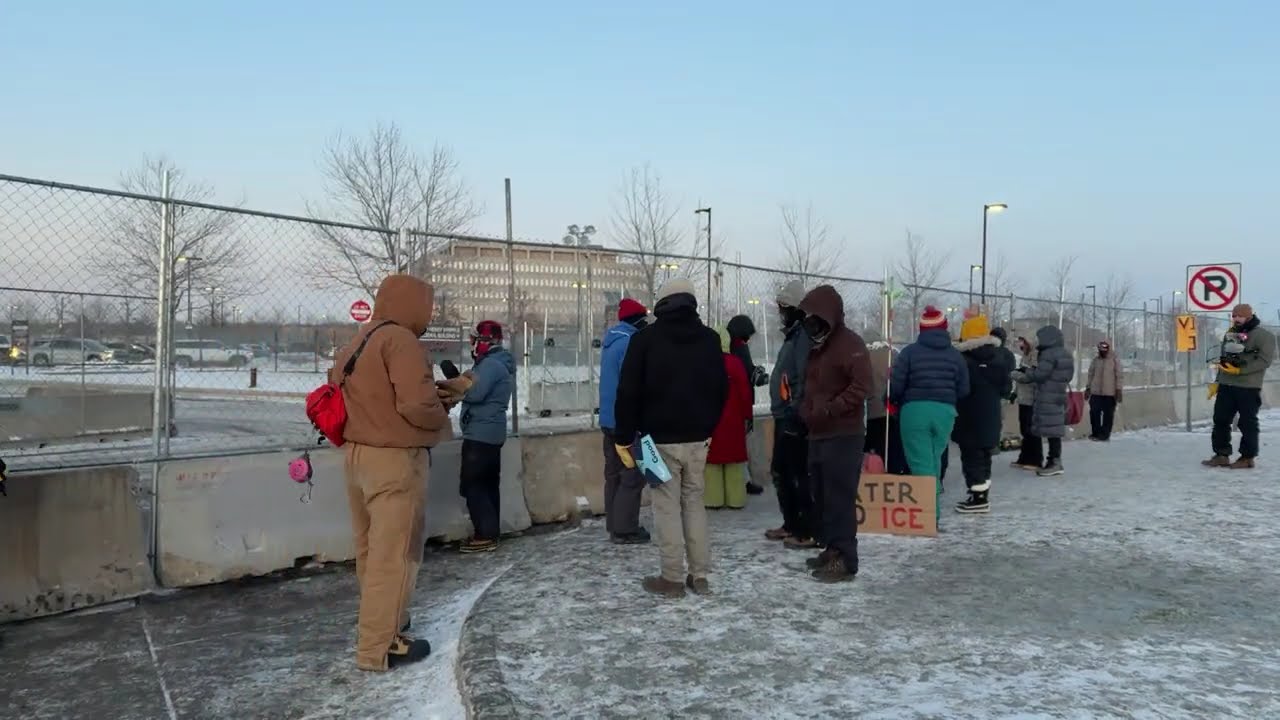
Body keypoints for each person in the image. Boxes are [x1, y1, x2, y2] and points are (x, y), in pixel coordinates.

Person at [331, 274, 450, 671]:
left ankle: (388, 621)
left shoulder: (359, 339)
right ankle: (380, 647)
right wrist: (440, 414)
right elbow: (416, 405)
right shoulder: (401, 340)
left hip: (356, 457)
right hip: (395, 461)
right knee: (395, 556)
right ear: (412, 304)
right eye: (427, 306)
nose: (430, 314)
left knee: (370, 551)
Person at [614, 279, 727, 598]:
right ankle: (700, 576)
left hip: (657, 442)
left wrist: (623, 435)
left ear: (661, 303)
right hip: (698, 439)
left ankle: (672, 578)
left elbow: (628, 391)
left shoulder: (645, 340)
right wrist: (708, 426)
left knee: (666, 507)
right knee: (694, 503)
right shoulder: (710, 339)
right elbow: (722, 389)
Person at [796, 285, 873, 583]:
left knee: (840, 498)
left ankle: (846, 558)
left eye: (815, 321)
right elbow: (812, 385)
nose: (811, 328)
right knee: (823, 496)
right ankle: (832, 548)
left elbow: (862, 386)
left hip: (843, 434)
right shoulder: (820, 347)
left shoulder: (850, 344)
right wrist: (805, 409)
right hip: (818, 433)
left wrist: (831, 409)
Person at [890, 306, 968, 519]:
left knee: (920, 462)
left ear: (921, 329)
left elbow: (896, 386)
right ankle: (931, 509)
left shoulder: (909, 353)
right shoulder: (955, 355)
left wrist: (894, 401)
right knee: (933, 458)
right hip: (945, 411)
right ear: (944, 327)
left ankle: (928, 517)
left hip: (914, 411)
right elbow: (964, 389)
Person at [765, 280, 818, 547]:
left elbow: (804, 376)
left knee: (796, 473)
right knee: (782, 471)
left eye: (784, 306)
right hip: (784, 413)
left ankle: (805, 529)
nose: (780, 311)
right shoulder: (793, 335)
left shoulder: (802, 337)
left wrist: (796, 411)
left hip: (792, 415)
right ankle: (791, 523)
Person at [457, 320, 516, 554]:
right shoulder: (493, 363)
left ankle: (485, 533)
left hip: (481, 433)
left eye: (475, 340)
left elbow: (475, 392)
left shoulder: (491, 365)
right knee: (488, 484)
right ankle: (490, 531)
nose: (472, 344)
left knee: (474, 484)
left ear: (485, 341)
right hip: (489, 431)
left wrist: (457, 385)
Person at [598, 298, 651, 544]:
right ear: (638, 320)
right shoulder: (632, 342)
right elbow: (635, 385)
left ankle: (614, 525)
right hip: (626, 421)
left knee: (613, 475)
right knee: (632, 475)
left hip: (608, 420)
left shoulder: (611, 342)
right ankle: (625, 529)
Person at [952, 313, 1013, 513]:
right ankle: (981, 493)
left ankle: (978, 499)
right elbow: (1006, 388)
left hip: (968, 415)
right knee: (985, 455)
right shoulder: (1000, 357)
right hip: (992, 415)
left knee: (971, 457)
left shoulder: (963, 360)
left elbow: (959, 388)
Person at [1204, 304, 1275, 469]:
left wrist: (1241, 370)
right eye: (1234, 316)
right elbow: (1225, 359)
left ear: (1249, 316)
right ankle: (1221, 454)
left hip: (1248, 387)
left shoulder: (1263, 336)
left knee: (1247, 422)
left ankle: (1247, 457)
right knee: (1220, 420)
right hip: (1227, 385)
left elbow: (1264, 361)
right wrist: (1217, 382)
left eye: (1239, 316)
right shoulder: (1231, 334)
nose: (1236, 319)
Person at [1012, 325, 1074, 477]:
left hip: (1047, 395)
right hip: (1058, 394)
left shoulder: (1048, 354)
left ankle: (1054, 462)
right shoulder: (1065, 354)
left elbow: (1040, 375)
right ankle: (1054, 460)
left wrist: (1021, 374)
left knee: (1050, 430)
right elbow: (1066, 375)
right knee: (1054, 430)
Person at [705, 328, 753, 510]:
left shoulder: (705, 364)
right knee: (734, 463)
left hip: (712, 421)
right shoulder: (736, 363)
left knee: (712, 463)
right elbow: (745, 393)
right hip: (733, 420)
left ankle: (713, 499)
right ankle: (736, 499)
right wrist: (747, 416)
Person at [726, 314, 768, 495]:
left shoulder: (727, 347)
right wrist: (758, 374)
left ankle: (738, 482)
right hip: (741, 404)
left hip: (728, 404)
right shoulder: (740, 349)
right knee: (741, 447)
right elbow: (747, 374)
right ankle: (745, 482)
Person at [1009, 336, 1042, 470]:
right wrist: (1015, 393)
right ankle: (1025, 458)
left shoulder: (1035, 355)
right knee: (1024, 430)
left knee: (1031, 430)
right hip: (1023, 398)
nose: (1020, 344)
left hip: (1032, 399)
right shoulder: (1025, 355)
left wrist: (1014, 374)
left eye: (1023, 341)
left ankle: (1036, 459)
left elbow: (1031, 376)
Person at [1086, 340, 1124, 441]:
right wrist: (1088, 388)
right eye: (1100, 350)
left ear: (1108, 350)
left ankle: (1105, 434)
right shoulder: (1095, 360)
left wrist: (1118, 390)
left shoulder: (1114, 360)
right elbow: (1090, 374)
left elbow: (1119, 376)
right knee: (1094, 413)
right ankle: (1096, 433)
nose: (1102, 352)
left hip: (1109, 393)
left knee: (1108, 415)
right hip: (1096, 393)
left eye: (1104, 350)